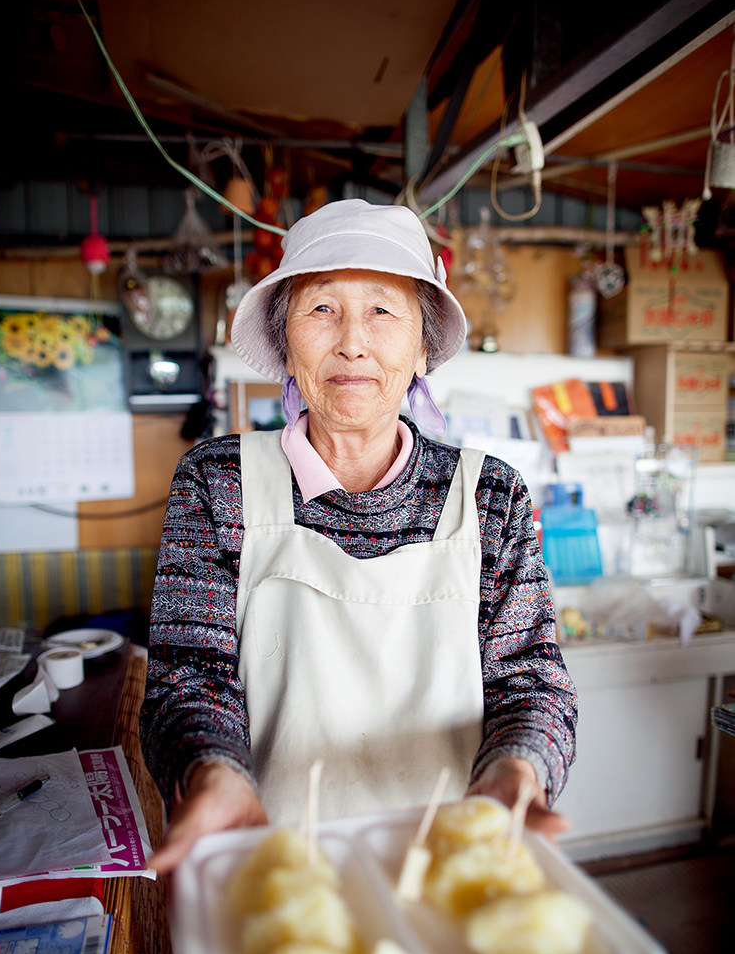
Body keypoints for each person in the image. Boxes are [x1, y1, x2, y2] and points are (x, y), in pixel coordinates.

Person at [140, 198, 577, 877]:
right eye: (321, 308)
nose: (352, 341)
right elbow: (187, 679)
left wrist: (520, 767)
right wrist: (211, 771)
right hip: (269, 869)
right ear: (285, 341)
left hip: (451, 867)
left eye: (382, 310)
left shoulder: (490, 495)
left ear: (423, 347)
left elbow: (531, 681)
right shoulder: (219, 481)